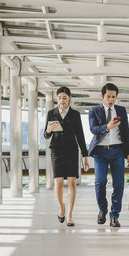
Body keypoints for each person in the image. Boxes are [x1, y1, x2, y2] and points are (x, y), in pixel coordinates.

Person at [88, 83, 129, 227]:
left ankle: (114, 216)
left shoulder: (121, 110)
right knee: (100, 182)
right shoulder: (94, 110)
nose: (111, 99)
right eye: (108, 96)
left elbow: (126, 132)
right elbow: (93, 129)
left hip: (117, 151)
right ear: (102, 96)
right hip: (100, 151)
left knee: (119, 184)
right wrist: (107, 127)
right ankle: (102, 209)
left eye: (113, 97)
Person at [44, 86, 89, 227]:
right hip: (56, 150)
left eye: (64, 97)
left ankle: (69, 214)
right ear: (56, 99)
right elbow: (46, 135)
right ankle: (61, 207)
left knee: (71, 182)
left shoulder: (75, 114)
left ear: (69, 98)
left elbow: (80, 135)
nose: (62, 100)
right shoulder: (51, 113)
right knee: (57, 182)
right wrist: (48, 130)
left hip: (71, 151)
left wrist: (85, 156)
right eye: (59, 98)